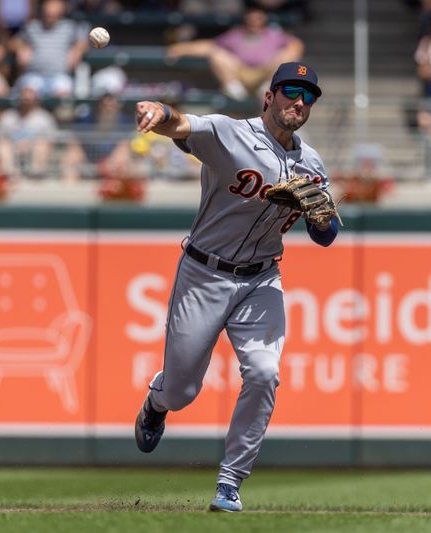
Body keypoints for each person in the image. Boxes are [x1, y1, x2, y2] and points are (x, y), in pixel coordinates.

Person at [133, 61, 337, 512]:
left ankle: (230, 481)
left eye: (307, 95)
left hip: (262, 278)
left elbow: (326, 235)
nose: (298, 101)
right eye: (289, 91)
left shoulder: (311, 162)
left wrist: (323, 217)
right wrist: (156, 111)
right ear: (269, 96)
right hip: (204, 273)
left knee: (265, 373)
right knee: (183, 392)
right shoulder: (231, 134)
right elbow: (181, 124)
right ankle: (158, 400)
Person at [166, 6, 304, 99]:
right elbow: (210, 46)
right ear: (246, 20)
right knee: (217, 53)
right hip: (239, 74)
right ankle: (233, 89)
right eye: (251, 19)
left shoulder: (275, 35)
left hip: (265, 75)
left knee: (286, 54)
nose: (254, 22)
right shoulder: (235, 34)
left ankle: (269, 87)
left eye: (258, 19)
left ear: (264, 20)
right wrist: (181, 49)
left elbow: (296, 45)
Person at [13, 0, 89, 98]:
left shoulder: (69, 27)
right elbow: (13, 42)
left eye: (54, 11)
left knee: (63, 98)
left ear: (61, 10)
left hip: (60, 76)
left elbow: (84, 42)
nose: (50, 13)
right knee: (27, 95)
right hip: (33, 75)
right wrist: (21, 48)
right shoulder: (32, 26)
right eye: (48, 10)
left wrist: (77, 50)